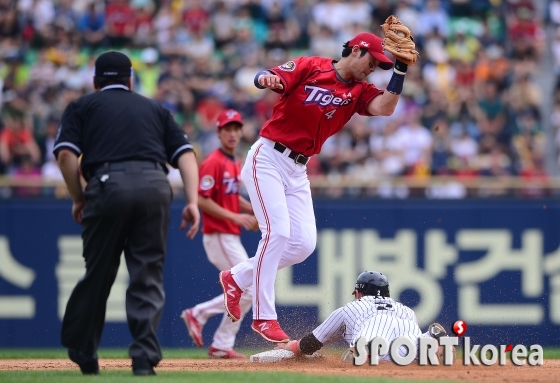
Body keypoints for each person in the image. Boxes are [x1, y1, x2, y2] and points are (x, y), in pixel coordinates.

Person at [218, 31, 412, 342]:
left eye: (379, 66)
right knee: (277, 232)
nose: (373, 69)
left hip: (298, 167)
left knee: (303, 244)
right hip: (268, 156)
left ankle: (237, 277)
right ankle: (264, 316)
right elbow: (271, 76)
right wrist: (266, 79)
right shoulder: (312, 67)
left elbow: (384, 108)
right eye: (373, 62)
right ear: (358, 51)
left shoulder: (360, 90)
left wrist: (400, 72)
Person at [53, 51, 200, 376]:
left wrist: (79, 197)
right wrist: (192, 200)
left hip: (106, 186)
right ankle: (144, 358)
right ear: (131, 81)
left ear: (95, 81)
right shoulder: (155, 108)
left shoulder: (82, 107)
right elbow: (186, 155)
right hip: (154, 185)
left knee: (99, 273)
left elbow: (65, 156)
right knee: (147, 274)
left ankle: (84, 351)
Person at [180, 109, 257, 359]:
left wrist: (255, 210)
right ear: (219, 132)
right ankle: (200, 316)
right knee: (248, 287)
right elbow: (202, 200)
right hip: (219, 234)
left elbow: (232, 197)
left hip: (228, 235)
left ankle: (221, 344)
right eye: (228, 129)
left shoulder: (233, 162)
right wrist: (237, 217)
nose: (233, 134)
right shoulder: (214, 161)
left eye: (236, 129)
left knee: (248, 289)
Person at [275, 271, 454, 363]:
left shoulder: (350, 308)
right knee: (414, 344)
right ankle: (433, 343)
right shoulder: (407, 310)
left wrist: (291, 345)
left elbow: (309, 344)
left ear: (359, 292)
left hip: (377, 348)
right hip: (411, 354)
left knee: (354, 354)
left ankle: (364, 351)